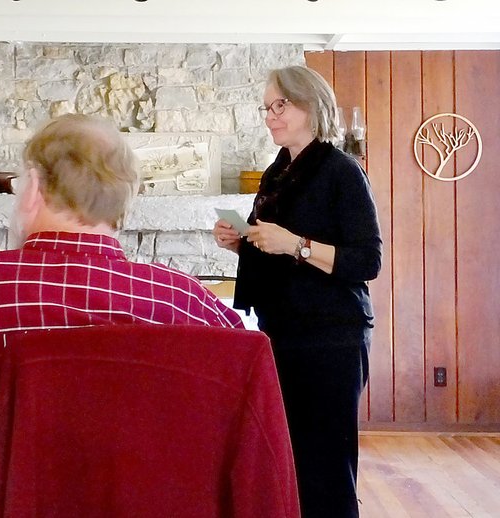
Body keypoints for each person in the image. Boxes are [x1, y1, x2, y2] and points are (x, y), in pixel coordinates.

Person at [0, 113, 243, 441]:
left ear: (32, 188)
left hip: (18, 502)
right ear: (124, 203)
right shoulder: (187, 301)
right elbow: (241, 410)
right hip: (154, 502)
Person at [213, 65, 382, 518]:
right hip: (282, 331)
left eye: (279, 105)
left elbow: (368, 261)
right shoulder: (276, 173)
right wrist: (242, 241)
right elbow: (276, 256)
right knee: (290, 458)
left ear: (311, 105)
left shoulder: (342, 171)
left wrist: (296, 245)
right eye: (267, 107)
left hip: (331, 337)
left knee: (326, 464)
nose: (270, 116)